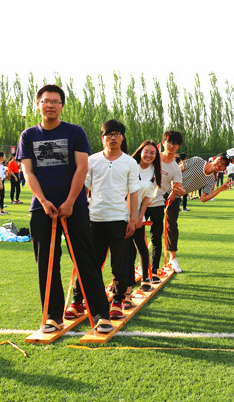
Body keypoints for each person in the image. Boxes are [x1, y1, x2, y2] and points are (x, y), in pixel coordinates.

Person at [18, 84, 113, 335]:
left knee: (85, 260)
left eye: (55, 101)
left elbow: (82, 168)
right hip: (42, 208)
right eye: (46, 101)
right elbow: (28, 172)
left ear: (62, 106)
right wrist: (42, 200)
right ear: (38, 104)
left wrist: (70, 201)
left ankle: (100, 315)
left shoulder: (74, 132)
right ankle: (53, 316)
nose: (50, 105)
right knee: (47, 264)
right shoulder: (28, 135)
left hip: (75, 206)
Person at [78, 119, 140, 320]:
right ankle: (79, 299)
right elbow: (84, 188)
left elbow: (133, 193)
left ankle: (117, 300)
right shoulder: (92, 160)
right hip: (94, 218)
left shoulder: (130, 162)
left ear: (122, 137)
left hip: (119, 219)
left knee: (119, 263)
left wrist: (132, 219)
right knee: (90, 262)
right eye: (109, 134)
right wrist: (81, 214)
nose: (113, 138)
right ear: (102, 138)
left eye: (117, 134)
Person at [171, 151, 234, 272]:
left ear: (224, 169)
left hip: (176, 198)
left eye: (223, 165)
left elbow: (203, 198)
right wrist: (173, 186)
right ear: (214, 158)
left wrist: (220, 189)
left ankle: (172, 259)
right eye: (220, 161)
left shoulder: (210, 180)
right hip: (163, 189)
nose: (220, 165)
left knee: (172, 228)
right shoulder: (197, 160)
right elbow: (176, 170)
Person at [128, 140, 161, 293]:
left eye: (152, 153)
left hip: (137, 214)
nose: (149, 155)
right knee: (125, 248)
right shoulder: (130, 165)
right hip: (120, 212)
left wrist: (140, 217)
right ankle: (125, 280)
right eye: (146, 151)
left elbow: (147, 198)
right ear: (140, 152)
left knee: (141, 246)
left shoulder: (154, 172)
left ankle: (145, 278)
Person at [152, 130, 185, 274]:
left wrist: (177, 192)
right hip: (144, 196)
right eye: (169, 142)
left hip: (164, 197)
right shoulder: (153, 157)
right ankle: (137, 261)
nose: (171, 146)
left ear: (178, 147)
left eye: (175, 144)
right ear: (163, 142)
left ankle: (172, 259)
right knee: (137, 227)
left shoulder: (175, 167)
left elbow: (178, 186)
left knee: (171, 226)